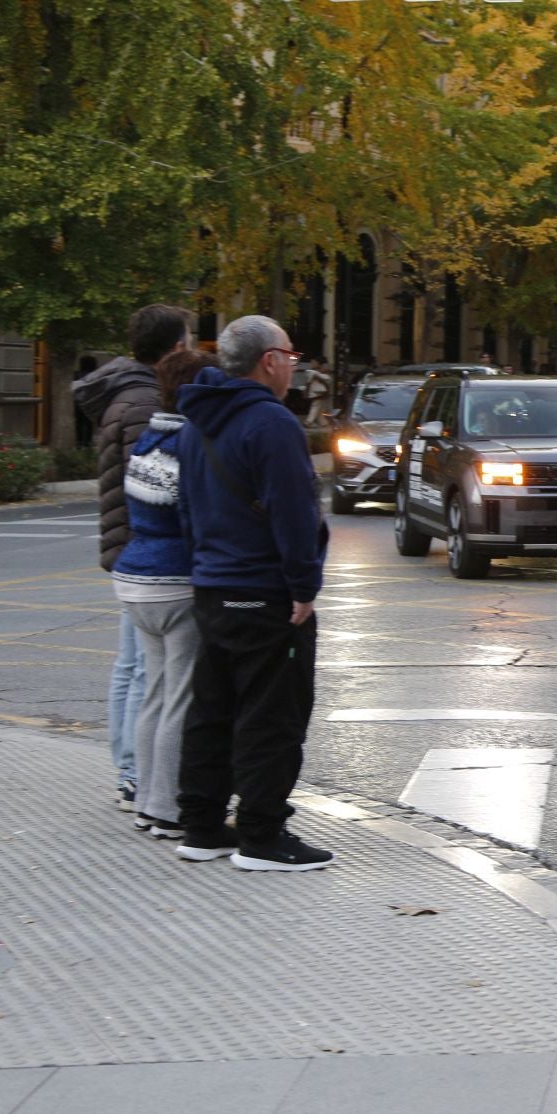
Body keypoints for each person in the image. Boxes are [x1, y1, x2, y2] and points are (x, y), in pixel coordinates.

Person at [174, 315, 333, 871]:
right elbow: (294, 510)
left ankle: (201, 826)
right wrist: (303, 584)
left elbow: (187, 506)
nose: (295, 365)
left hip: (213, 586)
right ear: (270, 360)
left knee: (212, 711)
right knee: (272, 715)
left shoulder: (198, 421)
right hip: (265, 591)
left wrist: (205, 567)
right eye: (291, 355)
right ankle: (263, 836)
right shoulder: (271, 424)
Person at [71, 303, 192, 812]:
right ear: (174, 346)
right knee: (146, 673)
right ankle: (136, 778)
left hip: (130, 546)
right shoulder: (146, 399)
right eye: (187, 339)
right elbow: (155, 482)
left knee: (133, 667)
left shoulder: (124, 391)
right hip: (147, 551)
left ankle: (131, 774)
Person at [112, 349, 218, 839]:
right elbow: (194, 518)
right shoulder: (191, 442)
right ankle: (170, 808)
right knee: (180, 697)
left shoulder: (149, 437)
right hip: (174, 581)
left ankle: (146, 801)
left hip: (133, 578)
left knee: (154, 694)